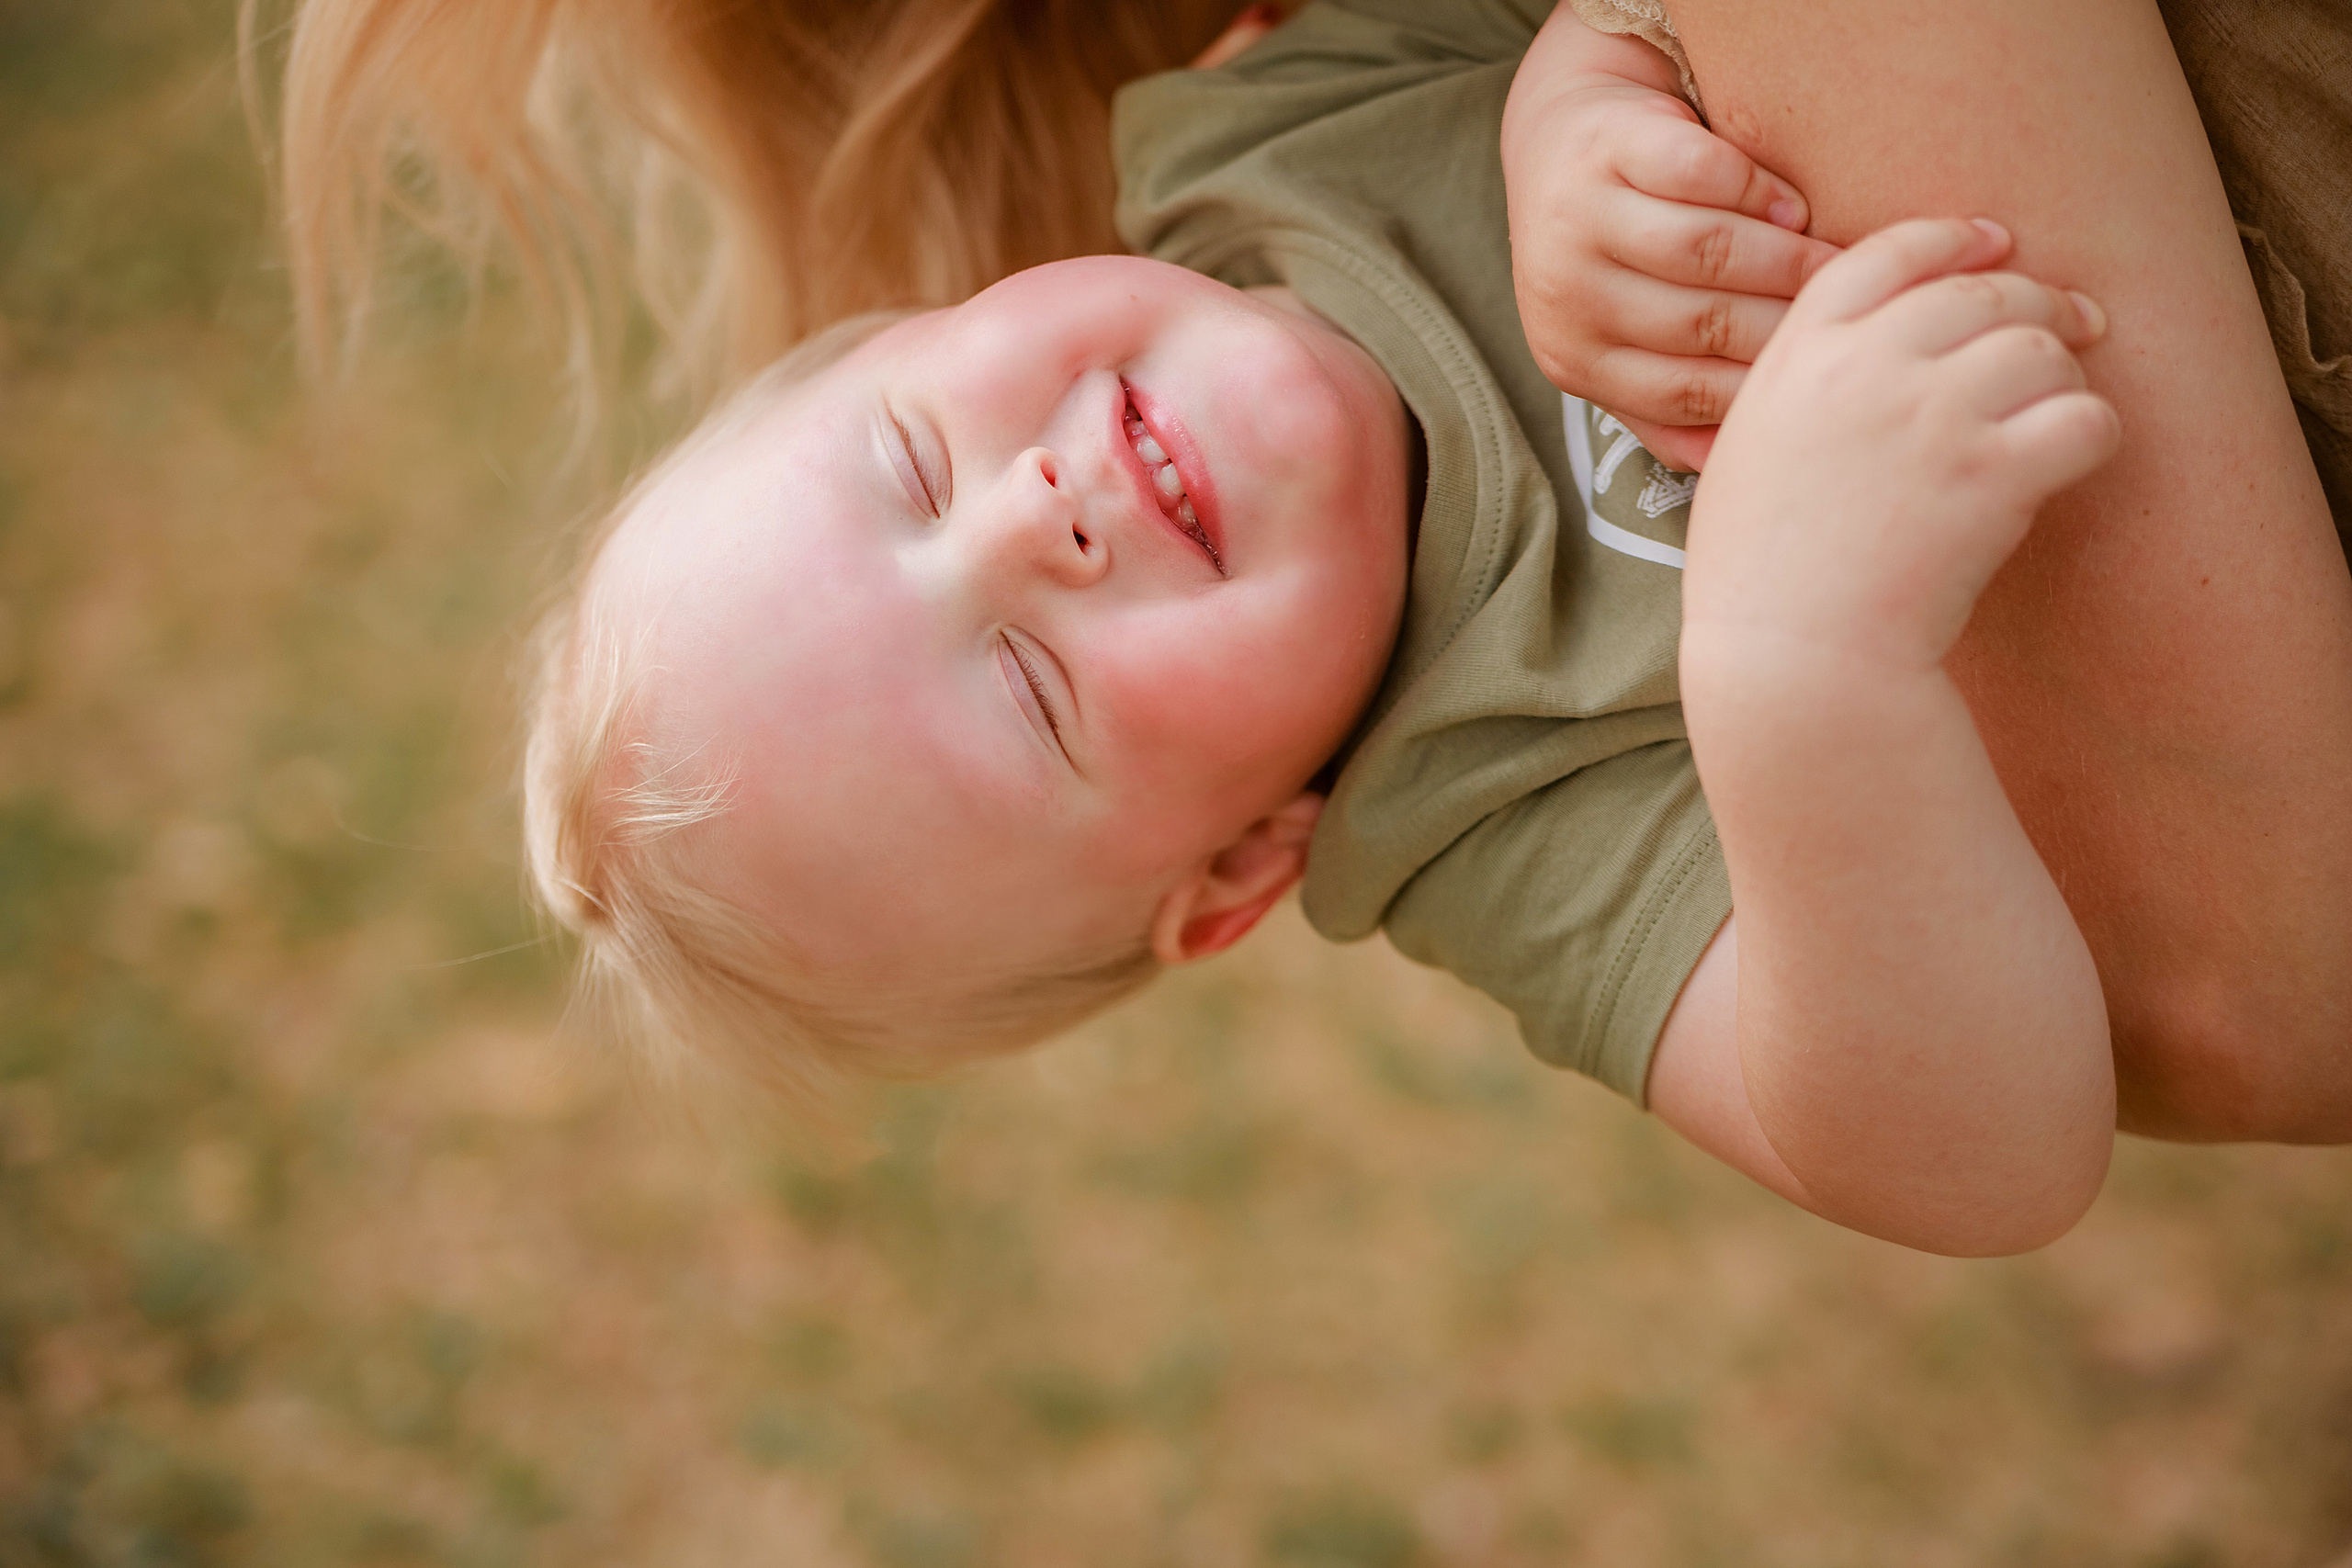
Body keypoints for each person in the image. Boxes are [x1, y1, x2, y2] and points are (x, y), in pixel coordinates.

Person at [262, 0, 2351, 1254]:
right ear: (1241, 870)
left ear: (920, 322)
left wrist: (1574, 97)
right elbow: (1982, 1160)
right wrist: (1801, 684)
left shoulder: (1258, 121)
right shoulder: (1485, 814)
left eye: (914, 460)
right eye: (1023, 684)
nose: (1037, 515)